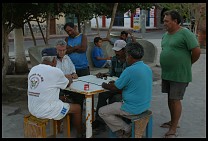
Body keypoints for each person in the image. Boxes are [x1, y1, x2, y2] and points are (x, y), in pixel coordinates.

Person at [160, 10, 201, 138]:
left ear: (175, 21)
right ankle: (172, 121)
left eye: (167, 21)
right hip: (167, 73)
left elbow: (196, 51)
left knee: (175, 100)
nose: (164, 23)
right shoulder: (166, 35)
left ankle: (174, 127)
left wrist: (186, 64)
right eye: (164, 20)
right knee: (170, 98)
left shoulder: (185, 33)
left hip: (179, 74)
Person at [98, 42, 152, 138]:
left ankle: (127, 129)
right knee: (113, 100)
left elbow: (115, 87)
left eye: (127, 56)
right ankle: (124, 128)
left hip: (132, 107)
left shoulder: (129, 70)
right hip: (145, 105)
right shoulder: (147, 68)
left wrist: (104, 85)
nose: (126, 58)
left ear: (130, 56)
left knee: (102, 111)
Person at [27, 48, 82, 137]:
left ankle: (61, 127)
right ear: (53, 60)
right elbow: (67, 84)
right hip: (45, 111)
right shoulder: (55, 71)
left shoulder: (33, 69)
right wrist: (70, 78)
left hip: (32, 108)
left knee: (62, 98)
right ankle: (80, 133)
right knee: (77, 108)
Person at [92, 40, 129, 134]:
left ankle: (115, 123)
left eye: (118, 51)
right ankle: (100, 122)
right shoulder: (114, 59)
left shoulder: (129, 61)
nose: (116, 53)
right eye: (115, 51)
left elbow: (127, 80)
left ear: (125, 50)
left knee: (115, 98)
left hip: (124, 88)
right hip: (114, 85)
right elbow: (111, 73)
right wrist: (104, 74)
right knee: (102, 95)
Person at [64, 22, 90, 109]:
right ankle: (77, 110)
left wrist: (72, 48)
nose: (69, 33)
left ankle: (84, 109)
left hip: (83, 68)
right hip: (71, 70)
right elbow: (66, 51)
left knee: (84, 91)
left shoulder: (83, 37)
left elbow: (83, 49)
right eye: (67, 31)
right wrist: (76, 47)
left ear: (74, 28)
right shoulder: (67, 39)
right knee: (74, 92)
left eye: (70, 30)